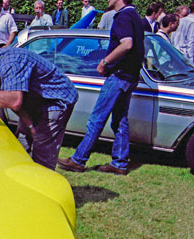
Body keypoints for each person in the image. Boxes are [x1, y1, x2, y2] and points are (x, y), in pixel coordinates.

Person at [0, 42, 78, 170]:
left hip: (55, 100)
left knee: (42, 153)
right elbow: (14, 104)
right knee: (20, 147)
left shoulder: (11, 62)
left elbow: (14, 100)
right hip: (32, 101)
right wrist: (30, 126)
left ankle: (42, 183)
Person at [58, 0, 144, 175]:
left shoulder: (123, 16)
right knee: (120, 120)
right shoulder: (135, 15)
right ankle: (119, 163)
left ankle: (78, 160)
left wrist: (105, 62)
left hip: (118, 76)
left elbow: (127, 44)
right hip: (130, 76)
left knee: (97, 119)